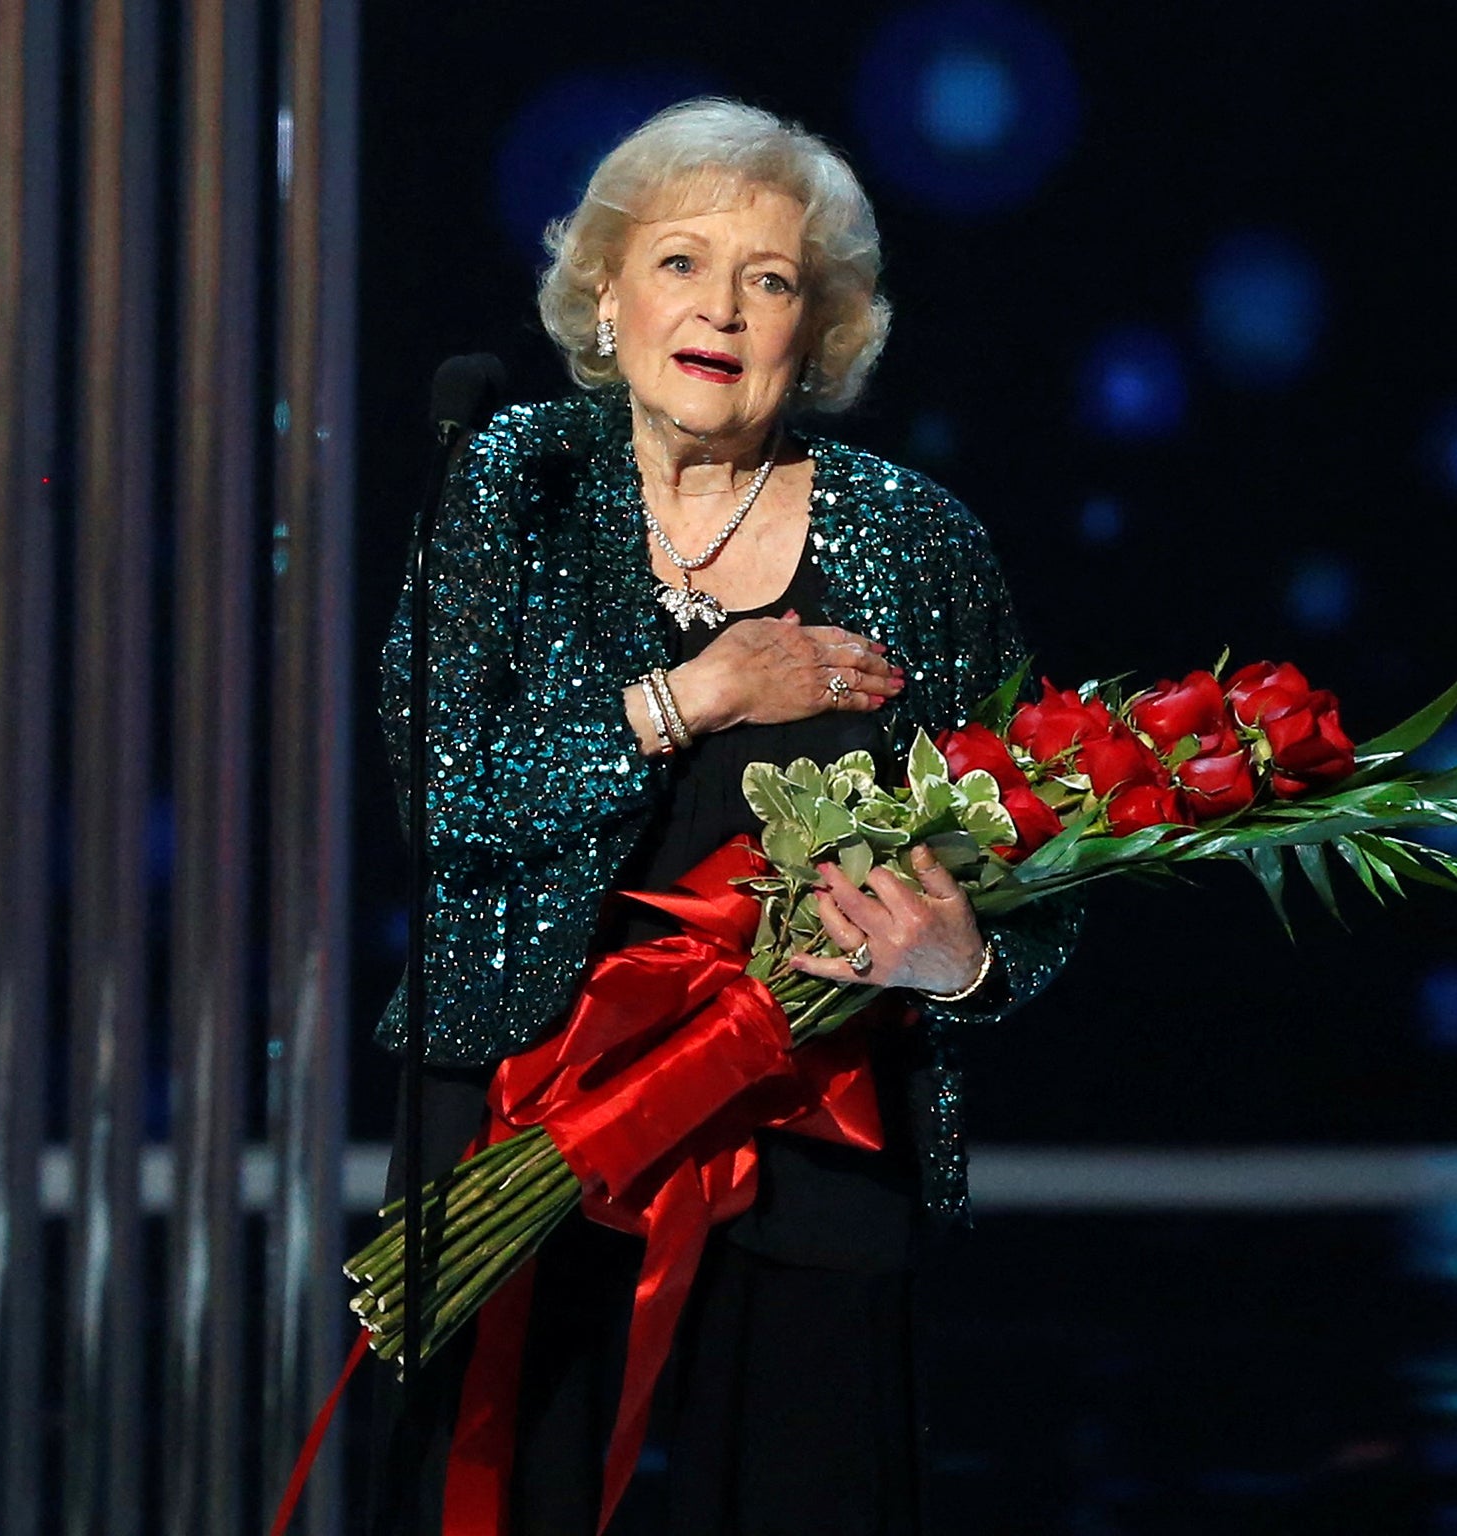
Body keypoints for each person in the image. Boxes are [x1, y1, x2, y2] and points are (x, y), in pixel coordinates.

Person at [370, 97, 1082, 1536]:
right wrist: (691, 694)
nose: (722, 308)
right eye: (682, 263)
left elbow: (1040, 852)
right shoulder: (515, 480)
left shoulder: (917, 536)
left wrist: (966, 965)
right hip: (533, 1104)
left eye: (769, 280)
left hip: (813, 1117)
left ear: (817, 328)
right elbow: (446, 796)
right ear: (608, 296)